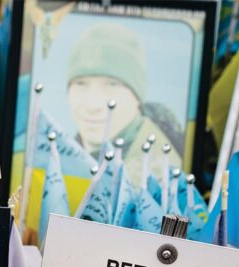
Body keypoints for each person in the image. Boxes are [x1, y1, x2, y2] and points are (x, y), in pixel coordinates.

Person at [64, 23, 184, 187]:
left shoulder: (159, 181)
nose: (92, 105)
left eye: (112, 84)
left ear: (137, 98)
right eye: (81, 83)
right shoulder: (58, 156)